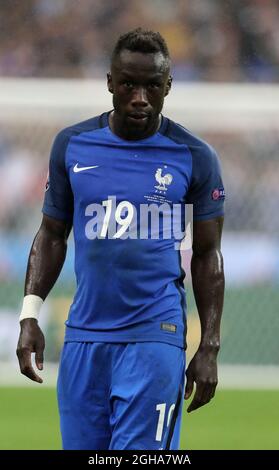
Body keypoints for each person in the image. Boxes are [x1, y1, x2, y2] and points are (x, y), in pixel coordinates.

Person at [16, 28, 225, 450]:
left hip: (155, 335)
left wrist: (210, 346)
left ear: (168, 86)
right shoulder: (72, 145)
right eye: (129, 84)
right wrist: (29, 315)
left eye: (152, 86)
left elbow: (207, 255)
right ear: (110, 82)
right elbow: (52, 235)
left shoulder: (194, 156)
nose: (140, 98)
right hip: (84, 338)